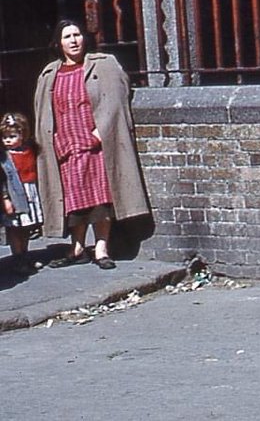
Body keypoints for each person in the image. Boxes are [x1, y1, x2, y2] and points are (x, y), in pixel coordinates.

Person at [34, 20, 150, 270]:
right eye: (67, 37)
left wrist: (99, 133)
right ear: (58, 43)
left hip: (96, 143)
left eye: (77, 35)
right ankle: (76, 248)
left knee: (100, 198)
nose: (74, 40)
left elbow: (116, 99)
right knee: (74, 198)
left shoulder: (103, 65)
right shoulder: (50, 74)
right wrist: (53, 140)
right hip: (65, 146)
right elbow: (45, 112)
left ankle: (101, 248)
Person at [1, 112, 43, 275]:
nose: (8, 140)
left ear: (23, 135)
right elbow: (3, 181)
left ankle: (25, 254)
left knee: (26, 227)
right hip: (13, 194)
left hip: (29, 191)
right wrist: (5, 199)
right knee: (14, 227)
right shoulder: (4, 157)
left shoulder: (29, 150)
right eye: (5, 137)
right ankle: (17, 256)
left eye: (12, 136)